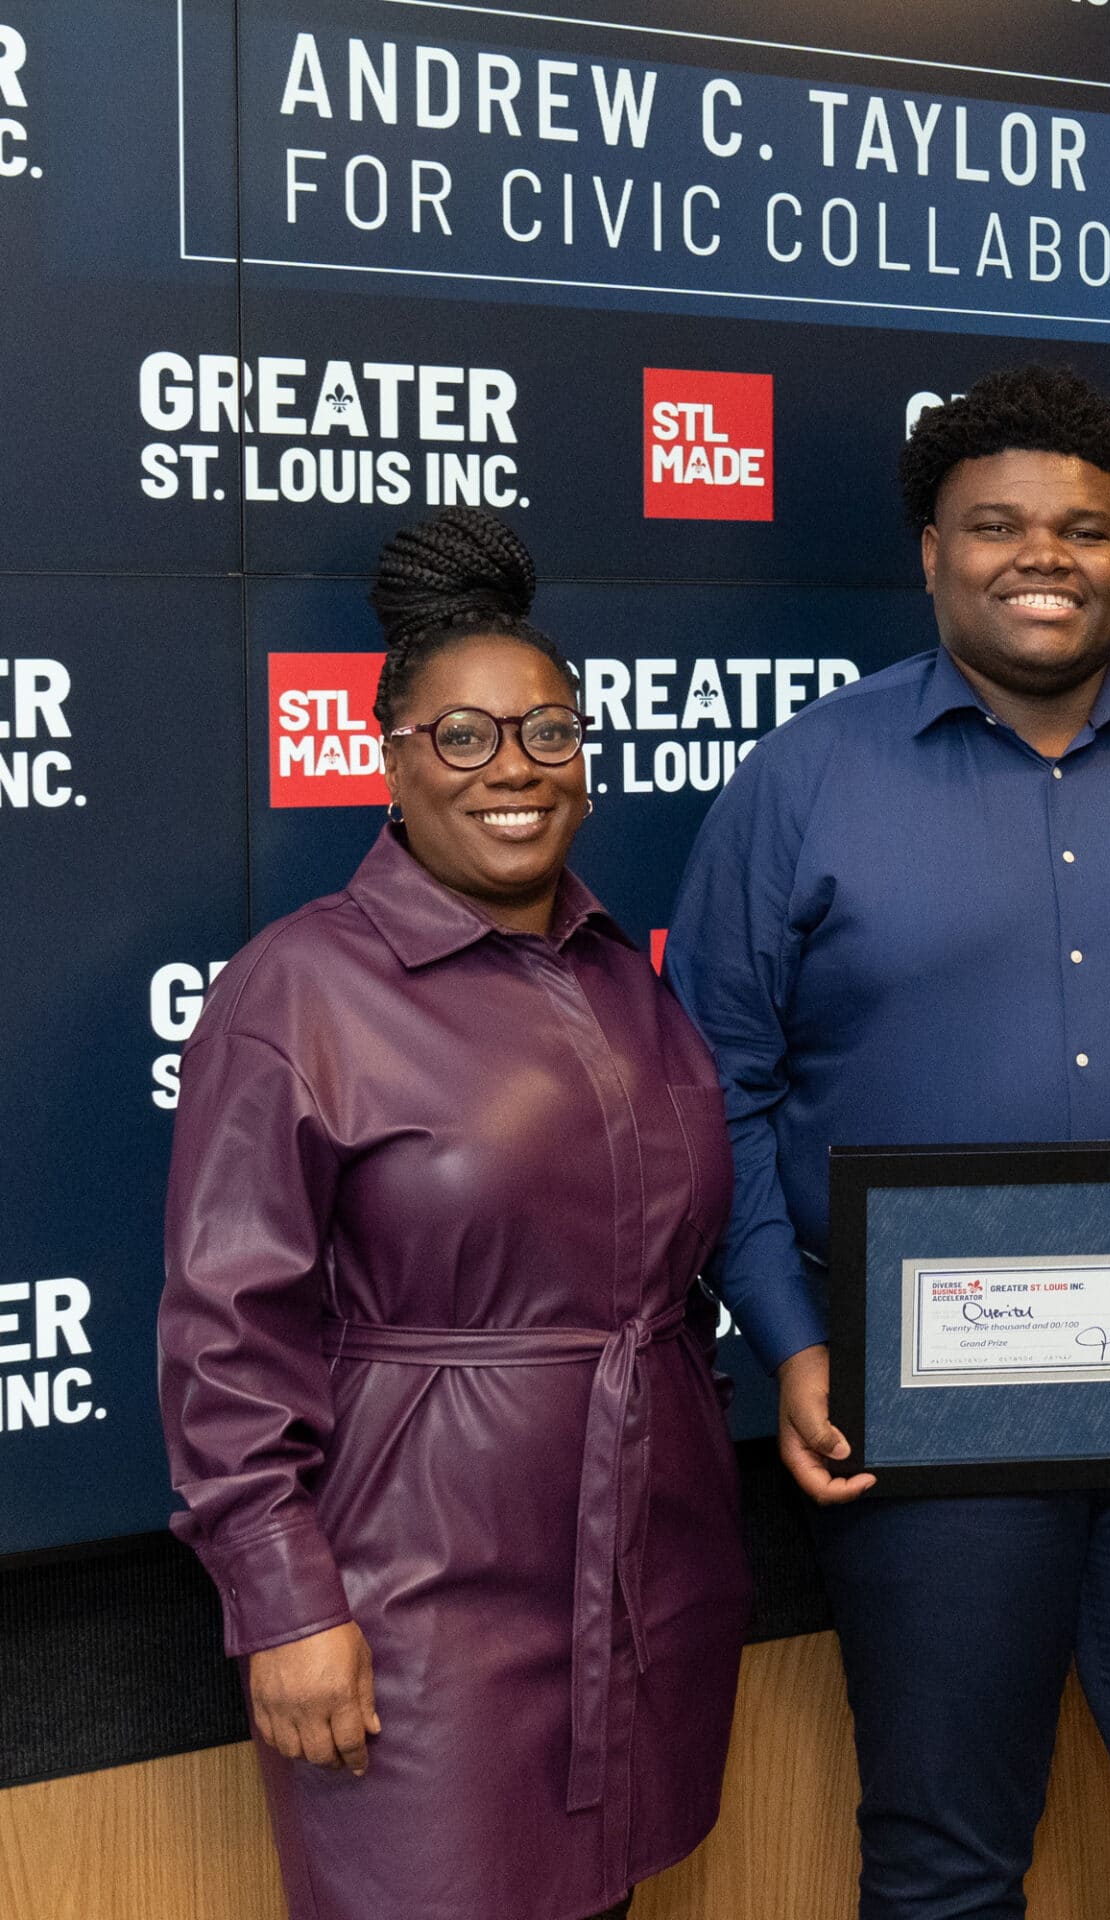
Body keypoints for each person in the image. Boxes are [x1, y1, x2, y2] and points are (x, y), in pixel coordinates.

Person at [667, 362, 1110, 1920]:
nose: (1041, 555)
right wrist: (791, 1342)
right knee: (939, 1863)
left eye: (1085, 526)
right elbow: (716, 1079)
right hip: (922, 1420)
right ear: (931, 548)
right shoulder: (799, 784)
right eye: (995, 524)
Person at [156, 508, 749, 1920]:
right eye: (465, 739)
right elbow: (225, 1336)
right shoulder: (298, 989)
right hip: (410, 1598)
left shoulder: (622, 975)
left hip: (634, 1577)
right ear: (394, 762)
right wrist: (284, 1603)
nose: (514, 771)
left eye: (547, 732)